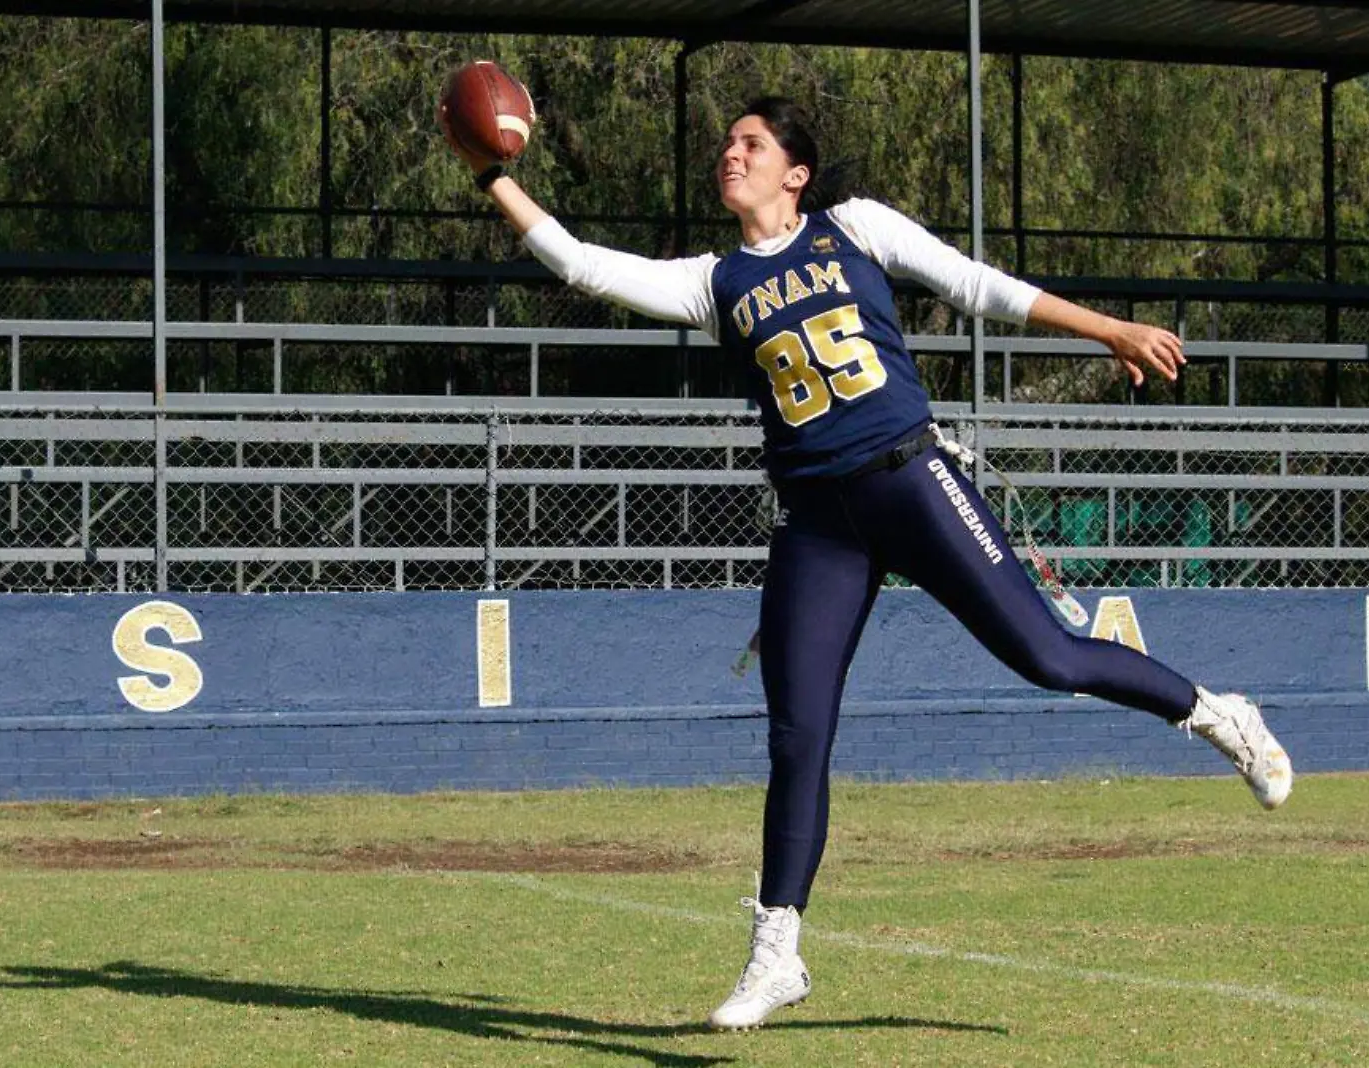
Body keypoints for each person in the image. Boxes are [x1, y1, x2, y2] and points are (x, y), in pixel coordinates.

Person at [444, 95, 1293, 1031]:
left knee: (1050, 658)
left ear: (795, 173)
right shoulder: (716, 280)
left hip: (912, 481)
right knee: (798, 733)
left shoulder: (854, 229)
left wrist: (1109, 330)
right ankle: (776, 953)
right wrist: (492, 174)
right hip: (817, 522)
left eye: (751, 144)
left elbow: (979, 286)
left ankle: (1220, 715)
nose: (731, 155)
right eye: (728, 144)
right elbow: (579, 264)